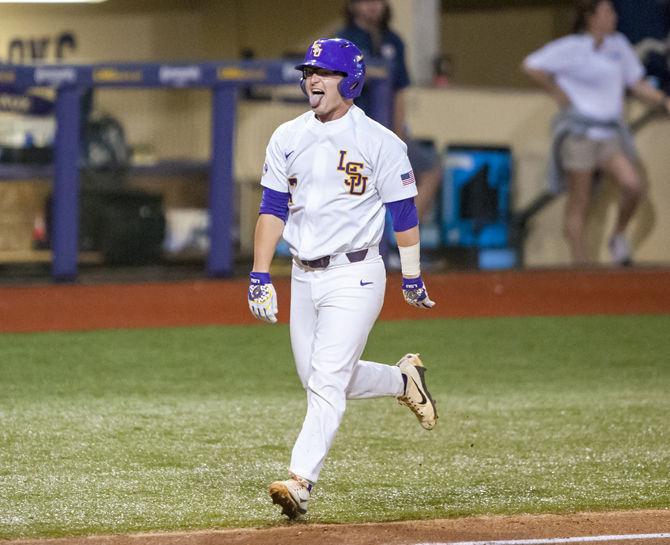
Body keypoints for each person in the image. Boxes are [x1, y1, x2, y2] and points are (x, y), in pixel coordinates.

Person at [247, 38, 438, 520]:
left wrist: (411, 276)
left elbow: (404, 214)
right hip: (304, 276)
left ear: (349, 80)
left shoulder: (380, 142)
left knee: (327, 379)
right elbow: (272, 210)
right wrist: (259, 274)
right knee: (317, 377)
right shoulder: (287, 136)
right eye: (308, 71)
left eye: (323, 72)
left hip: (356, 274)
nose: (312, 78)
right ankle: (402, 380)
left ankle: (300, 481)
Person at [522, 0, 670, 266]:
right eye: (608, 12)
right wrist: (558, 91)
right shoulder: (571, 48)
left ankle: (618, 236)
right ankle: (581, 265)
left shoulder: (619, 46)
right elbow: (531, 65)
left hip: (610, 134)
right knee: (581, 199)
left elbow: (636, 83)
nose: (614, 16)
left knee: (632, 184)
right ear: (591, 17)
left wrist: (662, 100)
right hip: (580, 133)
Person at [336, 0, 442, 224]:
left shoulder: (394, 41)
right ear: (353, 6)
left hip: (387, 130)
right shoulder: (343, 40)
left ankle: (400, 239)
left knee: (429, 170)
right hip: (353, 133)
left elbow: (399, 92)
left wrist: (397, 134)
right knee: (356, 189)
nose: (372, 6)